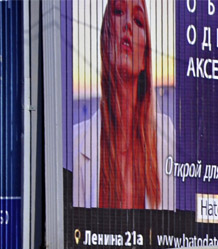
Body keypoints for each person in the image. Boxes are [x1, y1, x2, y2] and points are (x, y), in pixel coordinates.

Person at [73, 0, 175, 210]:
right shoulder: (75, 144)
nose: (128, 24)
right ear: (104, 38)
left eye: (138, 21)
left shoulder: (168, 140)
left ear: (146, 55)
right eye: (118, 12)